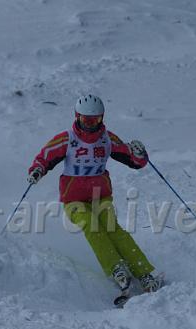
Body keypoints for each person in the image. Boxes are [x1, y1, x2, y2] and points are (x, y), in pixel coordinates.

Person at [27, 94, 161, 299]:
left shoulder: (107, 139)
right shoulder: (67, 139)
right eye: (86, 120)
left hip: (101, 196)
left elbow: (133, 160)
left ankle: (143, 272)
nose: (90, 125)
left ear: (102, 118)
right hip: (73, 199)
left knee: (112, 229)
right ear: (77, 117)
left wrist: (140, 155)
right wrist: (37, 169)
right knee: (91, 225)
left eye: (95, 120)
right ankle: (116, 268)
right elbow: (45, 156)